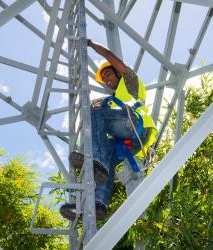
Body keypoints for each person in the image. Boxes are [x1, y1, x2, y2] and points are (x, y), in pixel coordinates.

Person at [60, 40, 157, 221]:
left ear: (117, 72)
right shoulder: (114, 98)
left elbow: (110, 56)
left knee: (96, 114)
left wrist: (90, 44)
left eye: (108, 74)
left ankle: (97, 161)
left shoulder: (129, 81)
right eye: (104, 78)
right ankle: (98, 204)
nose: (106, 79)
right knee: (109, 158)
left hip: (136, 126)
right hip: (131, 141)